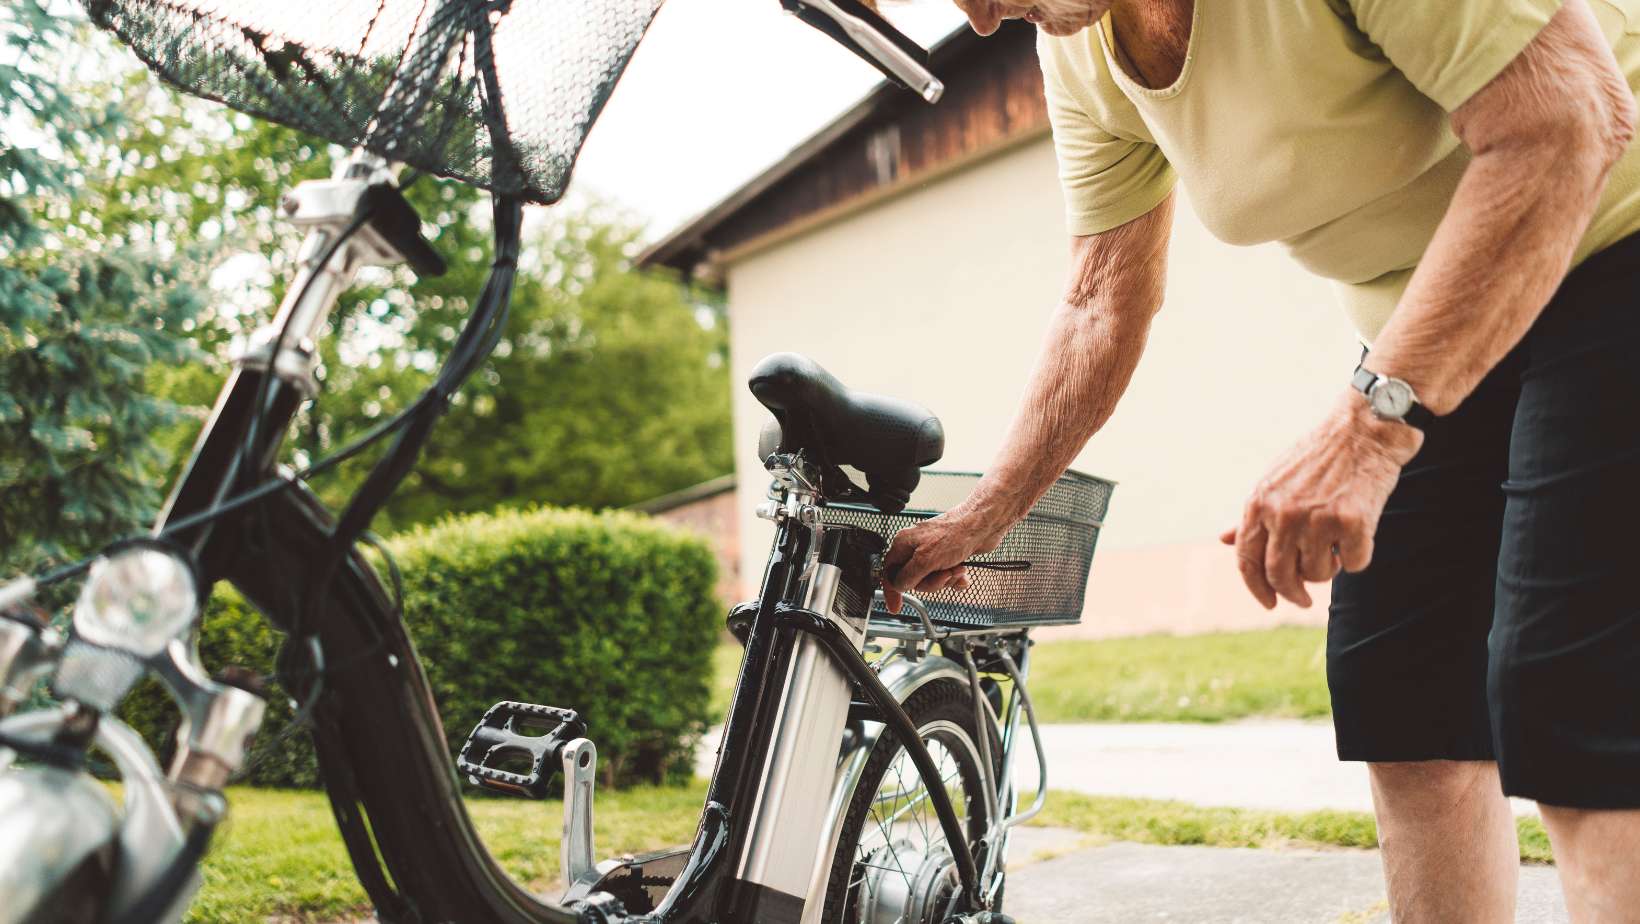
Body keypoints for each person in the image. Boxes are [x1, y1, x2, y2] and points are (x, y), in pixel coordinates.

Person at [877, 0, 1640, 920]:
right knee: (1403, 703)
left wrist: (1366, 431)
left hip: (1612, 238)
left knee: (1574, 691)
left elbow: (1567, 122)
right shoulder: (1079, 50)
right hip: (1433, 329)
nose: (987, 20)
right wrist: (985, 513)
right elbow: (1099, 301)